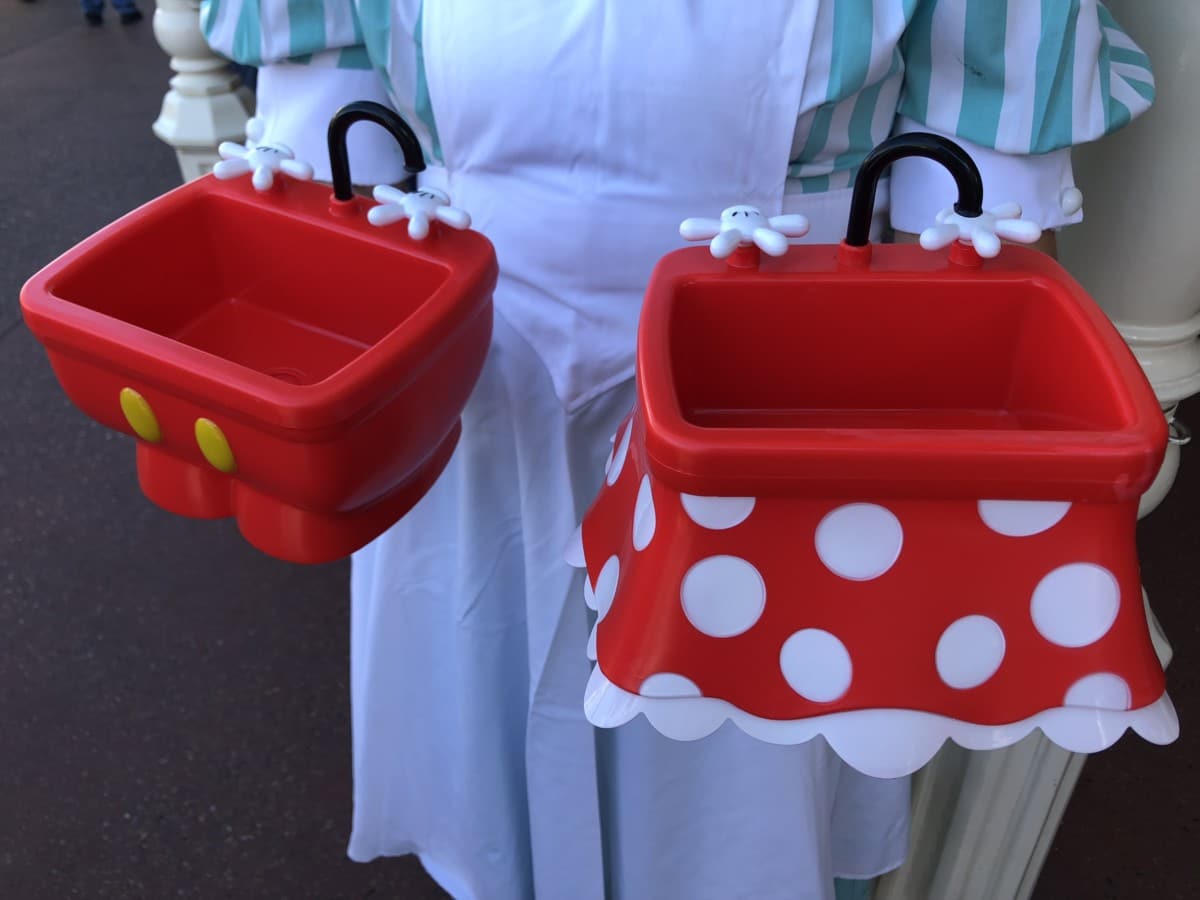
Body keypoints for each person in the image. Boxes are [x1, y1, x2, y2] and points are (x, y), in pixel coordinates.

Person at [199, 4, 1153, 898]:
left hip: (788, 363)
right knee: (483, 670)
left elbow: (976, 202)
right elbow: (327, 101)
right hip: (464, 334)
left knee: (750, 750)